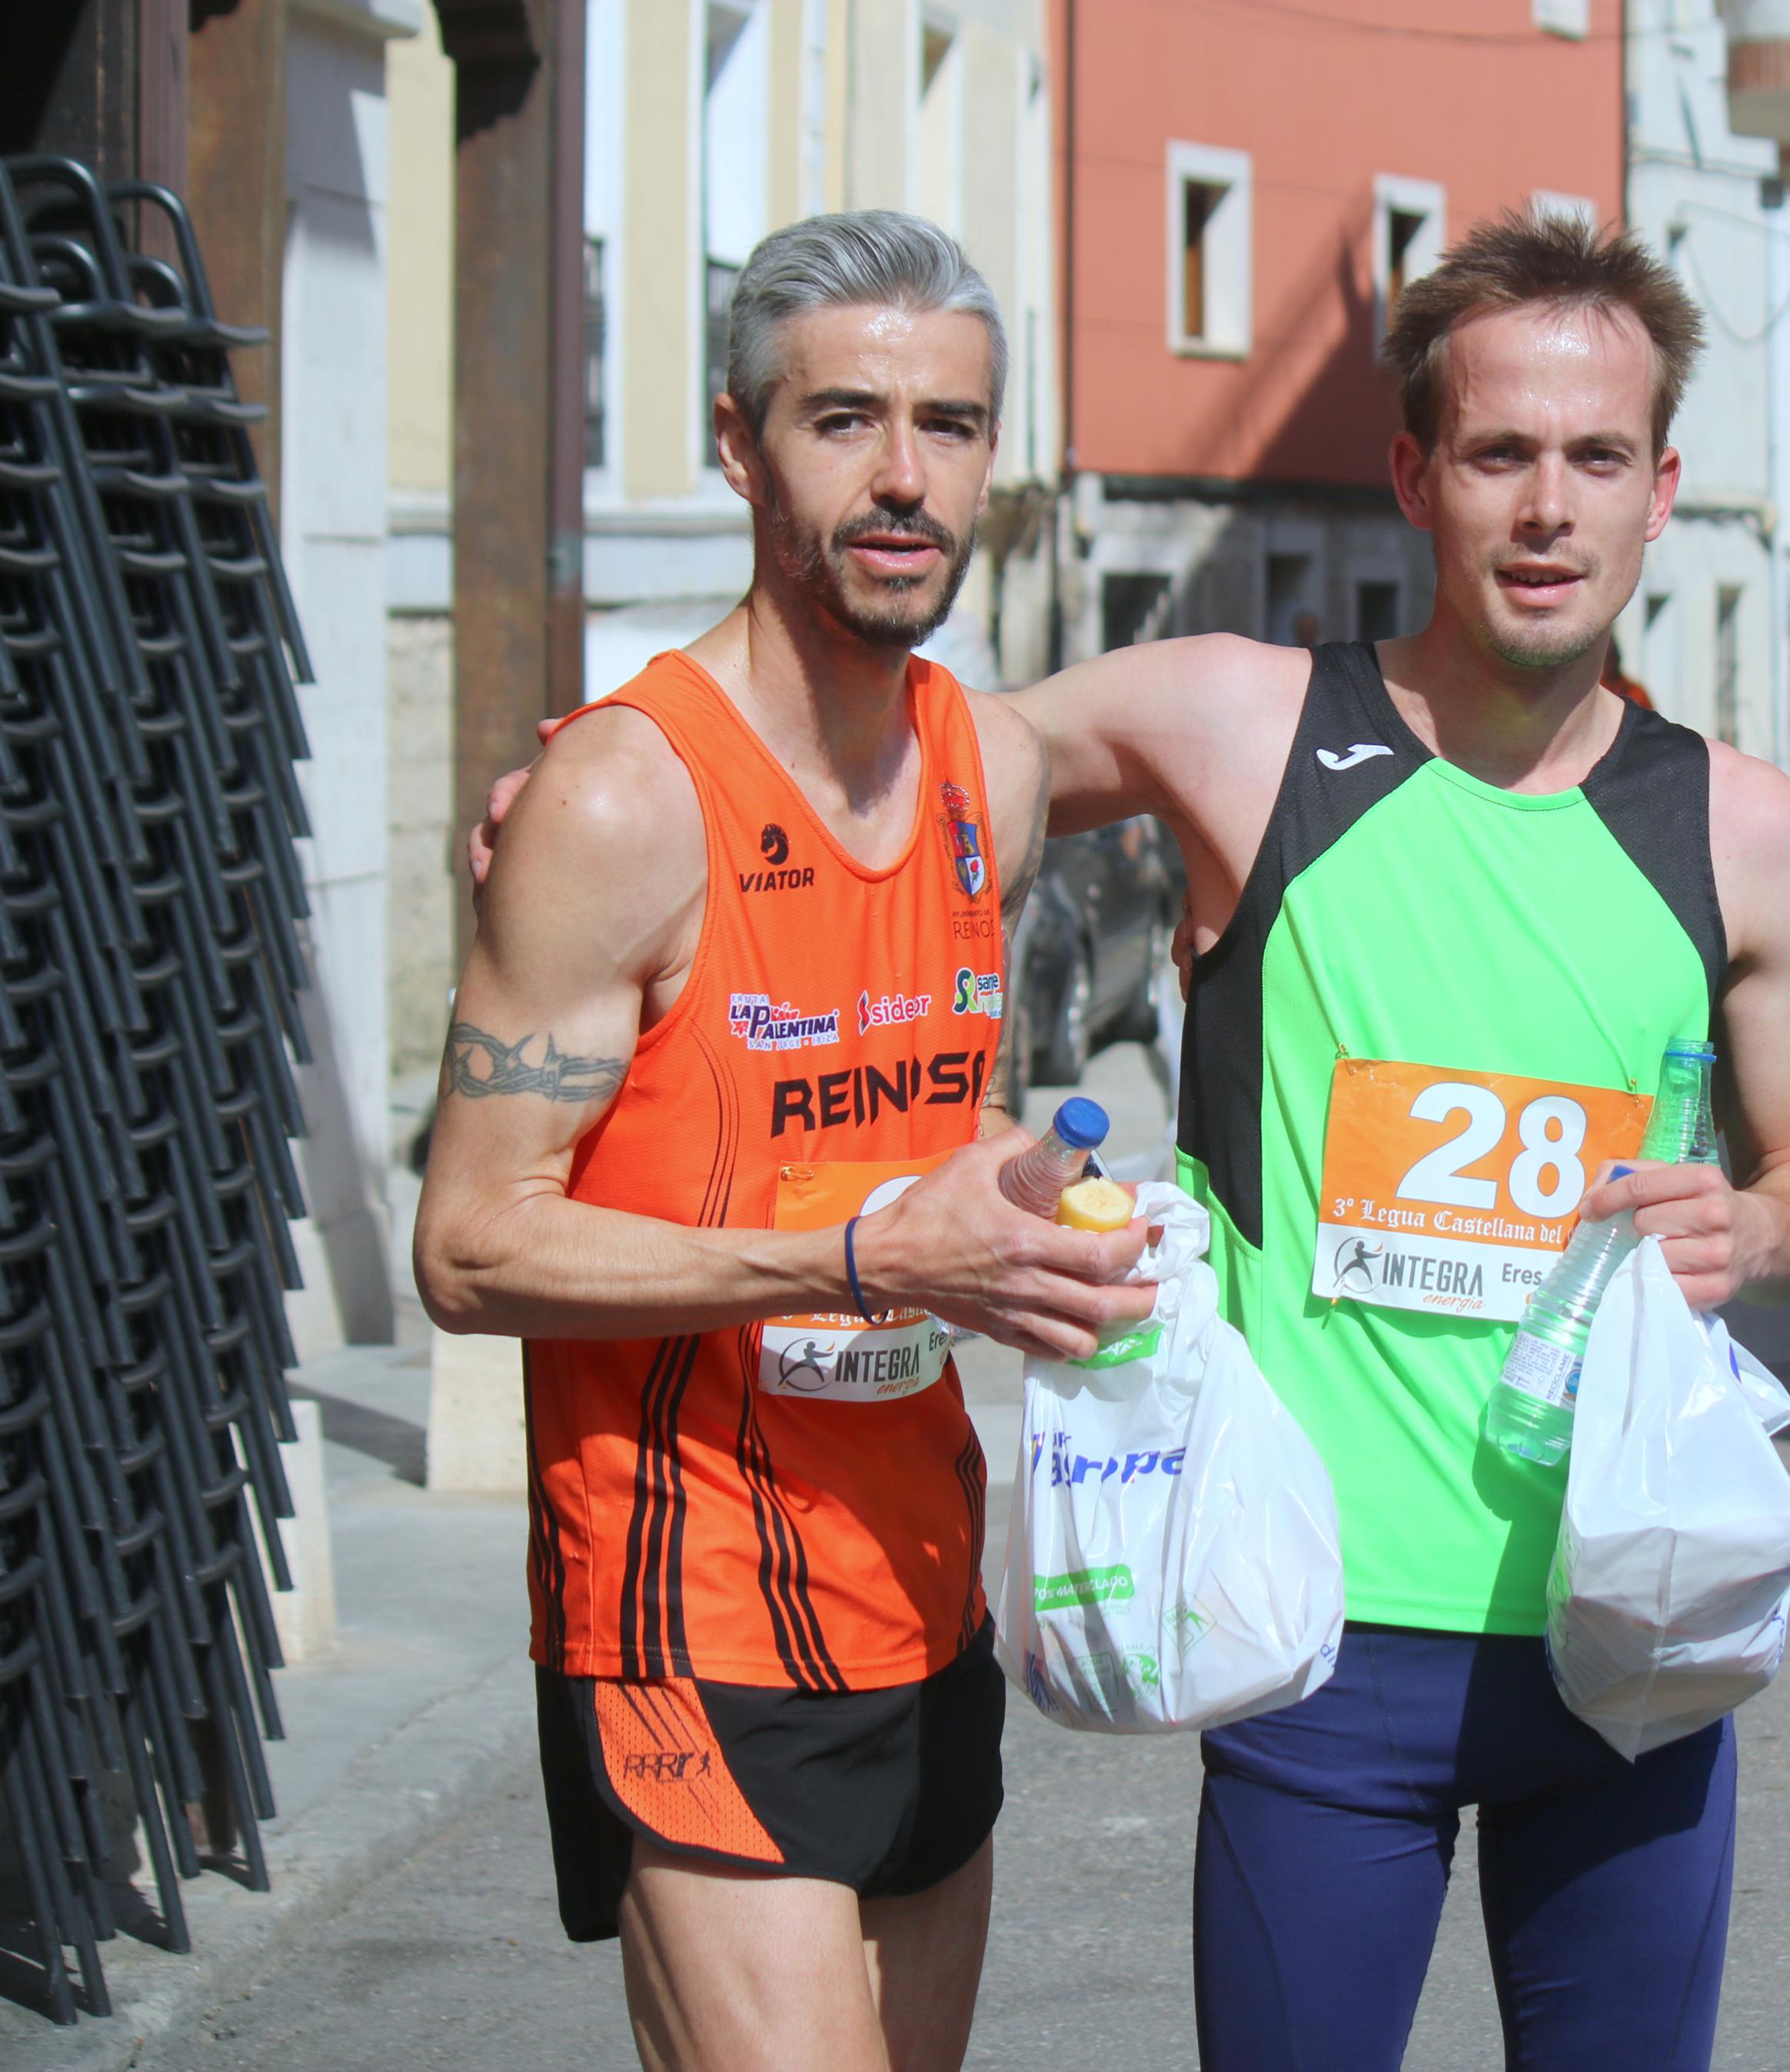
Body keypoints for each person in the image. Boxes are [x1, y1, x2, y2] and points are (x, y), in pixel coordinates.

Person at [477, 210, 1790, 2071]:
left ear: (1663, 485)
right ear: (1414, 474)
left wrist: (1751, 1233)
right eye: (1501, 454)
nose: (1547, 508)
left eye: (1596, 458)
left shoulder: (1746, 828)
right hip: (1310, 1637)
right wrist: (590, 786)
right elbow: (889, 754)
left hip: (1630, 1621)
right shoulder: (1242, 723)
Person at [415, 211, 1153, 2072]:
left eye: (952, 426)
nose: (905, 478)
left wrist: (1023, 1210)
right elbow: (472, 1243)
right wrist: (859, 1259)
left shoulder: (990, 765)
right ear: (739, 445)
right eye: (844, 420)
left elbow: (922, 1116)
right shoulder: (620, 793)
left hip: (919, 1585)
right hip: (690, 1609)